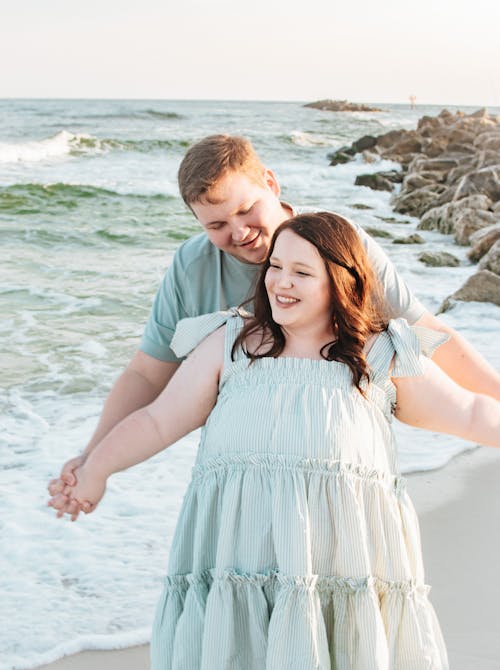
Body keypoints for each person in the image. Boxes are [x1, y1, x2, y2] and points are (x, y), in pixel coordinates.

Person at [48, 212, 500, 669]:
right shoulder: (233, 345)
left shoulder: (377, 354)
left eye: (302, 272)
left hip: (339, 567)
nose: (282, 282)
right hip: (238, 562)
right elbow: (157, 421)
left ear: (343, 282)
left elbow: (470, 411)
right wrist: (96, 468)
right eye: (276, 267)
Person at [48, 134, 500, 511]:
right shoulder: (196, 272)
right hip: (246, 481)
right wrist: (92, 460)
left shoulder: (335, 243)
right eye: (217, 225)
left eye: (246, 210)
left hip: (336, 471)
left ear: (270, 182)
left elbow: (430, 340)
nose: (239, 232)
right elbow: (151, 383)